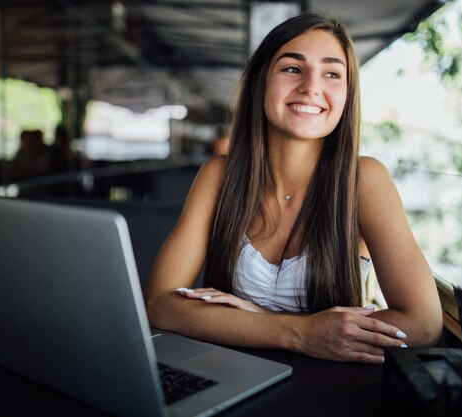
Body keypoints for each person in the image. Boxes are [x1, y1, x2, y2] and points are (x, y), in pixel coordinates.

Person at [144, 12, 442, 364]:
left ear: (347, 94)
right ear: (259, 81)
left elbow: (422, 324)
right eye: (292, 68)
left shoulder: (364, 180)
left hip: (330, 390)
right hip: (235, 376)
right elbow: (159, 305)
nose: (311, 86)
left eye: (332, 73)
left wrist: (261, 322)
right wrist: (298, 333)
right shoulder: (219, 176)